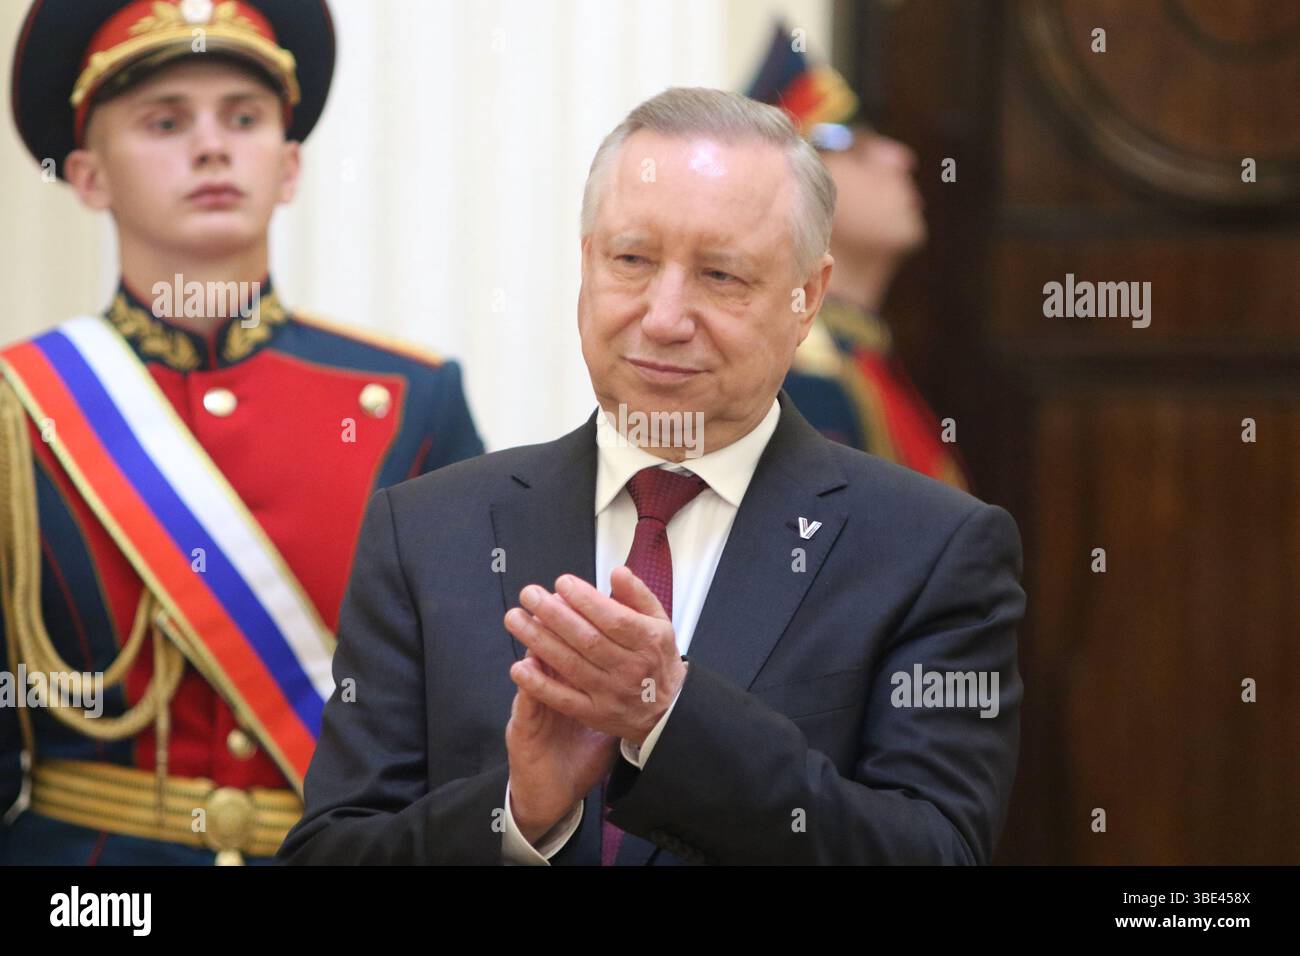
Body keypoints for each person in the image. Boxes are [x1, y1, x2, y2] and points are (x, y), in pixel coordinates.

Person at [278, 87, 1024, 866]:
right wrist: (518, 815)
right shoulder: (429, 530)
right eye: (632, 261)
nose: (664, 317)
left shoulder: (932, 550)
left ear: (808, 299)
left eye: (721, 275)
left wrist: (671, 719)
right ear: (586, 264)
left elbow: (934, 854)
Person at [0, 0, 484, 865]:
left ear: (289, 166)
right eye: (165, 120)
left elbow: (466, 716)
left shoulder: (414, 400)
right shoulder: (15, 411)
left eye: (245, 118)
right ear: (87, 176)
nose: (213, 146)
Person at [747, 23, 969, 489]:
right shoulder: (798, 382)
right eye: (857, 147)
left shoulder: (859, 357)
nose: (899, 157)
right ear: (792, 188)